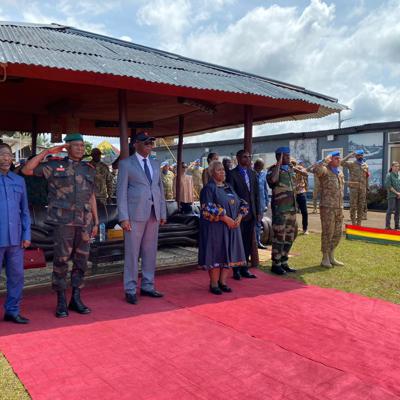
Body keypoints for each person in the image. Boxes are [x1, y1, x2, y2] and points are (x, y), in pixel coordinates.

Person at [22, 133, 99, 318]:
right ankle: (61, 300)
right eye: (76, 145)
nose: (80, 148)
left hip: (84, 223)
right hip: (63, 222)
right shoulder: (54, 165)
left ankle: (76, 298)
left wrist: (96, 221)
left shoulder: (88, 169)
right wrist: (48, 152)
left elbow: (91, 196)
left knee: (81, 261)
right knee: (61, 261)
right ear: (67, 147)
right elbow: (27, 170)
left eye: (82, 145)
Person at [117, 132, 167, 305]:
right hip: (134, 215)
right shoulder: (126, 164)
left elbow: (160, 189)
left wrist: (163, 212)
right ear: (135, 144)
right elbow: (121, 192)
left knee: (150, 252)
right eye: (146, 142)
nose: (149, 145)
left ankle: (147, 285)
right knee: (132, 253)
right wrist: (123, 217)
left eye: (151, 142)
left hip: (153, 213)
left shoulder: (155, 163)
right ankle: (130, 289)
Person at [199, 161, 248, 294]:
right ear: (212, 173)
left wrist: (240, 216)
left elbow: (242, 203)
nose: (222, 172)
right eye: (219, 170)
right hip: (216, 228)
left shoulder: (229, 187)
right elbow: (207, 208)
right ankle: (214, 284)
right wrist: (225, 218)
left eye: (223, 170)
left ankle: (223, 282)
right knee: (217, 254)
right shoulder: (209, 189)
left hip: (232, 227)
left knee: (228, 254)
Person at [0, 143, 31, 324]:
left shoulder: (19, 181)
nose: (6, 158)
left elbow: (24, 210)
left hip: (16, 238)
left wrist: (26, 234)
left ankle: (12, 310)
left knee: (17, 276)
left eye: (9, 155)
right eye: (2, 154)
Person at [227, 149, 259, 279]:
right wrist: (236, 212)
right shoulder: (232, 174)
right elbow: (231, 195)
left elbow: (256, 194)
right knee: (237, 243)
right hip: (238, 215)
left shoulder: (252, 173)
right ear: (238, 158)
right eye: (245, 157)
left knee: (247, 242)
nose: (248, 159)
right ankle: (236, 270)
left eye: (249, 157)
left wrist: (258, 211)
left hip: (251, 213)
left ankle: (245, 268)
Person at [266, 147, 297, 275]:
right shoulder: (272, 170)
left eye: (289, 156)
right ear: (279, 157)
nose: (289, 158)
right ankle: (276, 264)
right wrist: (278, 163)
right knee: (279, 237)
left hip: (292, 208)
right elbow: (273, 181)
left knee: (290, 236)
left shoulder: (290, 169)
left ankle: (284, 261)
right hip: (280, 209)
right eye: (286, 156)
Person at [311, 151, 345, 268]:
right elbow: (315, 169)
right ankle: (325, 258)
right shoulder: (325, 170)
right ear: (330, 160)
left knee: (337, 233)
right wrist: (324, 160)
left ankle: (332, 256)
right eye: (336, 158)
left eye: (339, 158)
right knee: (327, 233)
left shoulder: (340, 172)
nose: (339, 160)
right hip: (327, 208)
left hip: (339, 207)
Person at [341, 150, 369, 226]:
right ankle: (353, 223)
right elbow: (341, 163)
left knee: (361, 206)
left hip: (362, 189)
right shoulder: (352, 164)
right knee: (353, 206)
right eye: (358, 155)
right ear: (356, 156)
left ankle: (359, 224)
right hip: (354, 188)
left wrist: (367, 187)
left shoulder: (365, 165)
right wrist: (349, 155)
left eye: (361, 155)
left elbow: (366, 177)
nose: (360, 156)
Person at [253, 159, 269, 249]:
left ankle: (258, 242)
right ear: (256, 166)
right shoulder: (251, 174)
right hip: (253, 204)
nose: (260, 169)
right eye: (259, 167)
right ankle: (252, 242)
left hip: (261, 203)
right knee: (253, 224)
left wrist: (266, 202)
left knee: (259, 223)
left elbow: (265, 189)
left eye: (262, 167)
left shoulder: (263, 174)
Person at [293, 159, 309, 234]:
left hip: (300, 192)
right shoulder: (287, 169)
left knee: (304, 211)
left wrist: (296, 169)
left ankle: (305, 229)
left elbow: (306, 173)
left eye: (293, 163)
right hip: (291, 193)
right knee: (291, 212)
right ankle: (292, 228)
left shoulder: (299, 168)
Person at [384, 161, 400, 230]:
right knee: (390, 210)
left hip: (398, 196)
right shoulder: (389, 175)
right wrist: (397, 193)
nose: (397, 167)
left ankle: (397, 225)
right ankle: (387, 226)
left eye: (398, 166)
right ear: (392, 167)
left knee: (398, 211)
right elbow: (389, 186)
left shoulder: (398, 175)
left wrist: (399, 194)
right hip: (392, 196)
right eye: (395, 166)